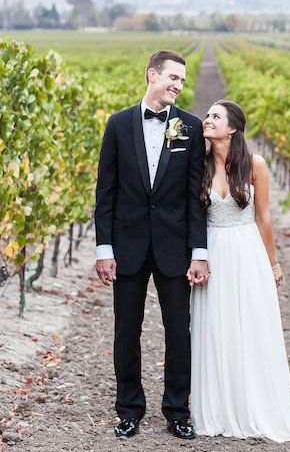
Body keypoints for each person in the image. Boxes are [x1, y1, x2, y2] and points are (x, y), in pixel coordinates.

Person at [95, 49, 209, 440]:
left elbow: (196, 197)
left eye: (182, 79)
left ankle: (177, 411)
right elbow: (105, 193)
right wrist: (103, 248)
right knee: (127, 331)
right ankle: (128, 410)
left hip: (175, 247)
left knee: (179, 331)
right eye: (172, 77)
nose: (178, 85)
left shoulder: (190, 128)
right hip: (126, 246)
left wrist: (199, 252)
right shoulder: (117, 124)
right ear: (151, 75)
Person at [190, 100, 290, 442]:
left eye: (215, 116)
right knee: (214, 327)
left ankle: (253, 406)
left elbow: (263, 218)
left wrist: (273, 263)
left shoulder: (255, 164)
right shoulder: (201, 164)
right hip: (213, 251)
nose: (207, 120)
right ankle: (216, 409)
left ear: (233, 127)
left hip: (247, 252)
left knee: (250, 326)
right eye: (207, 115)